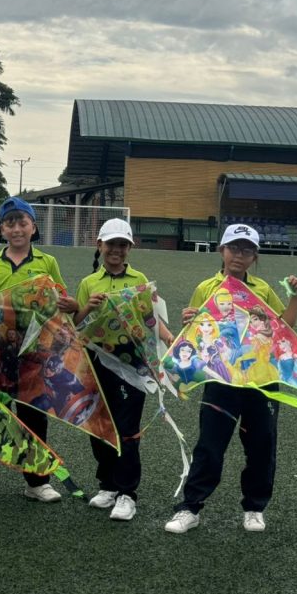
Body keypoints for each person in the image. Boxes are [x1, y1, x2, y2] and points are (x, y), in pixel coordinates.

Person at [164, 223, 297, 534]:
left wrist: (295, 297)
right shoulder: (206, 288)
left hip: (261, 380)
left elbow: (284, 329)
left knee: (261, 444)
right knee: (210, 444)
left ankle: (254, 507)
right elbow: (197, 335)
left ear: (255, 257)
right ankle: (190, 507)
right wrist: (188, 321)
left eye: (247, 250)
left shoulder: (262, 290)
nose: (239, 256)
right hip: (221, 378)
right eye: (234, 248)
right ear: (222, 250)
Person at [0, 196, 74, 503]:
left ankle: (37, 481)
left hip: (34, 355)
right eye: (10, 223)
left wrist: (69, 305)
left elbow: (60, 300)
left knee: (34, 416)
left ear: (33, 227)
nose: (17, 228)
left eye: (22, 222)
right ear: (2, 229)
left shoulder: (47, 262)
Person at [69, 218, 172, 522]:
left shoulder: (139, 279)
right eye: (111, 244)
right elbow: (75, 326)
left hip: (131, 363)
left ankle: (127, 493)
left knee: (127, 429)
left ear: (129, 248)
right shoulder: (89, 283)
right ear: (99, 245)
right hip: (96, 362)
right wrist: (88, 306)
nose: (116, 250)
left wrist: (169, 338)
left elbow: (151, 318)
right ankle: (108, 485)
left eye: (122, 245)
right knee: (99, 425)